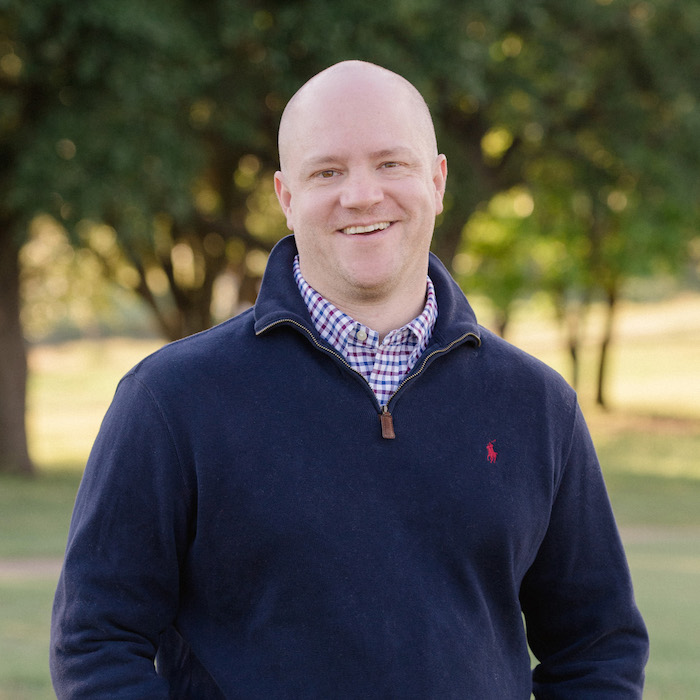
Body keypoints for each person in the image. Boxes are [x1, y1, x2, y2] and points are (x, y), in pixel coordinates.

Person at [50, 60, 648, 698]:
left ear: (437, 181)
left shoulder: (536, 404)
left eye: (391, 163)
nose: (362, 196)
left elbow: (597, 648)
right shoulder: (171, 400)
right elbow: (95, 641)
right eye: (327, 171)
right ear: (286, 197)